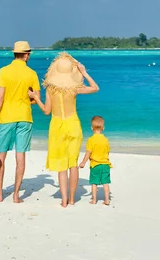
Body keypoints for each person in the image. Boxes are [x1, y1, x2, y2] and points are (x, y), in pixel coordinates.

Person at [28, 52, 99, 207]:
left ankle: (64, 201)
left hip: (57, 126)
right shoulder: (75, 88)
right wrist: (84, 72)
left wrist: (35, 97)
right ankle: (73, 200)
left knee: (61, 165)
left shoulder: (50, 89)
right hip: (73, 124)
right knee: (73, 164)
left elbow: (47, 111)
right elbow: (95, 88)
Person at [0, 41, 41, 203]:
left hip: (6, 117)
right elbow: (36, 98)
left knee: (1, 157)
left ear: (15, 54)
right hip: (25, 117)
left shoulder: (4, 71)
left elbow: (0, 97)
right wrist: (28, 98)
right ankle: (16, 195)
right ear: (26, 55)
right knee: (20, 157)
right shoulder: (32, 74)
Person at [79, 115, 112, 205]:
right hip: (105, 165)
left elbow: (88, 153)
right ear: (103, 128)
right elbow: (107, 152)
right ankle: (107, 200)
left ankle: (94, 200)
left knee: (94, 183)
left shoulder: (91, 140)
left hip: (95, 165)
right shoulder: (105, 140)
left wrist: (83, 162)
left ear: (91, 128)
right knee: (105, 183)